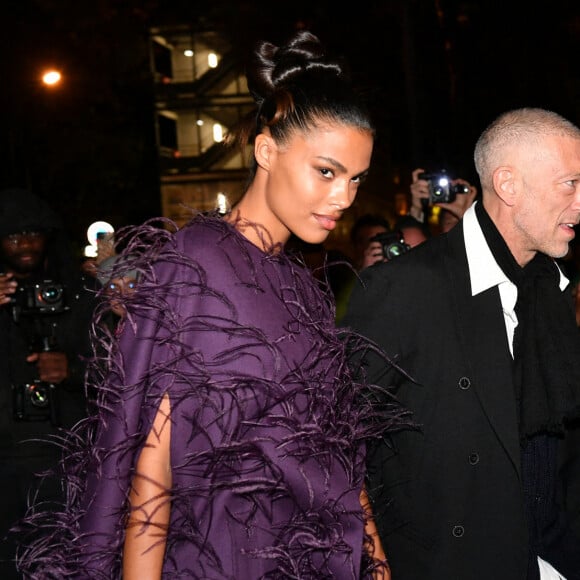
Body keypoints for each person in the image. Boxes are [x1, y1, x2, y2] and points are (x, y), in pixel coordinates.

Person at [17, 30, 408, 579]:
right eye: (326, 171)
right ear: (266, 150)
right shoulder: (196, 263)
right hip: (216, 560)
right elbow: (150, 478)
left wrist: (377, 565)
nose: (344, 197)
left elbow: (334, 454)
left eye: (355, 178)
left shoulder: (302, 286)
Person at [343, 108, 580, 579]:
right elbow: (338, 448)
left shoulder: (550, 287)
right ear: (508, 185)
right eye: (570, 184)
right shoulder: (405, 288)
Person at [0, 188, 97, 579]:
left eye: (33, 232)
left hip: (62, 458)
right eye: (11, 235)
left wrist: (71, 371)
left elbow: (120, 376)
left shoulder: (76, 291)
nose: (24, 243)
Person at [408, 166, 478, 233]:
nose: (456, 226)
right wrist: (416, 209)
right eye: (449, 222)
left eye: (458, 222)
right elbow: (413, 240)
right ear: (440, 227)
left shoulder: (470, 226)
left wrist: (467, 216)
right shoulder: (436, 243)